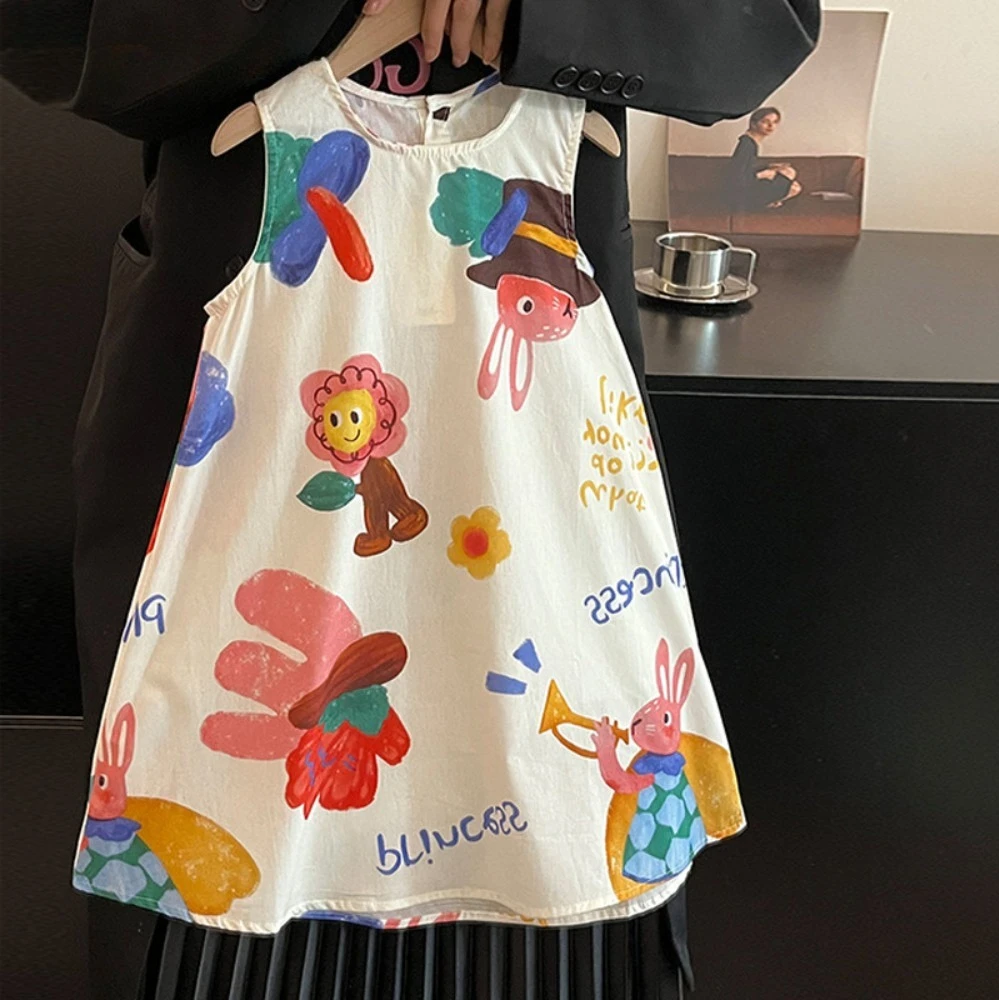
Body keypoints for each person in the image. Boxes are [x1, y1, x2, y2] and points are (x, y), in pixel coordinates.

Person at [0, 1, 817, 996]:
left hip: (537, 364)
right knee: (217, 844)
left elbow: (765, 23)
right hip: (243, 340)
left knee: (547, 816)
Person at [729, 106, 802, 210]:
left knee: (792, 180)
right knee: (790, 176)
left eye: (775, 122)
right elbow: (737, 177)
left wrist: (769, 166)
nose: (771, 126)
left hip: (749, 187)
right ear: (753, 124)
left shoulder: (751, 142)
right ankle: (762, 204)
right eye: (765, 121)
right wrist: (764, 174)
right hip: (742, 194)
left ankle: (769, 202)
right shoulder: (747, 144)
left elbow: (747, 167)